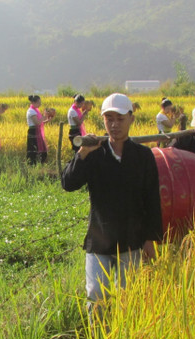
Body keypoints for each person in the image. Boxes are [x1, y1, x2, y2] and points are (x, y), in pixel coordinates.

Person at [61, 93, 162, 308]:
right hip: (99, 240)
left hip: (131, 240)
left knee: (129, 298)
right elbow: (68, 183)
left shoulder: (143, 156)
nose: (114, 125)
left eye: (120, 119)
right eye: (109, 119)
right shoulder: (95, 153)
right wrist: (82, 154)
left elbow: (152, 199)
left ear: (131, 119)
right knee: (96, 296)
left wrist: (150, 239)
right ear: (103, 120)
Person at [26, 95, 51, 164]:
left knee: (42, 151)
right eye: (38, 102)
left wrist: (46, 120)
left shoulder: (35, 110)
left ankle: (39, 165)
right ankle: (32, 165)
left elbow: (40, 122)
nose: (40, 104)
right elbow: (37, 123)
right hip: (33, 132)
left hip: (37, 132)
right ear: (33, 102)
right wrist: (44, 116)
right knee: (33, 150)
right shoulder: (31, 111)